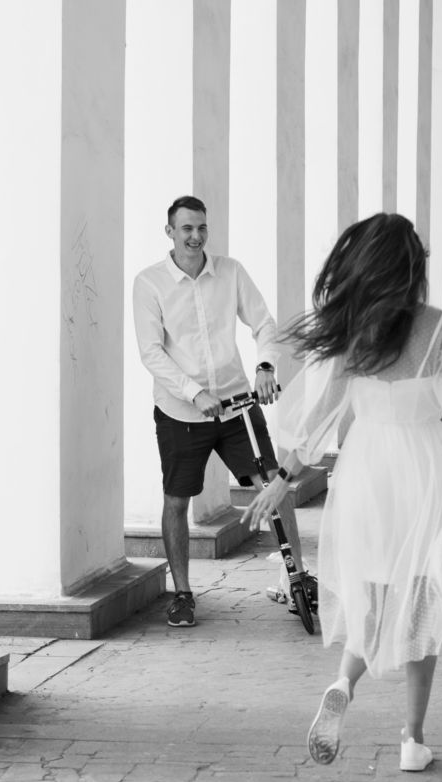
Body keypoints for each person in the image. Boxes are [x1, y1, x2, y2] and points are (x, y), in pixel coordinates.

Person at [242, 213, 442, 770]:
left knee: (374, 594)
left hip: (365, 473)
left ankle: (343, 684)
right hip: (422, 472)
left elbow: (317, 420)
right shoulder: (440, 327)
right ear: (413, 267)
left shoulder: (351, 333)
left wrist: (280, 481)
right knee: (421, 595)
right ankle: (412, 740)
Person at [133, 195, 316, 628]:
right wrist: (194, 393)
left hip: (237, 408)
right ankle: (182, 594)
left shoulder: (230, 271)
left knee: (274, 485)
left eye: (201, 228)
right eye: (186, 229)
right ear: (170, 232)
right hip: (181, 413)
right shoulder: (149, 283)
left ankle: (296, 576)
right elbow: (151, 351)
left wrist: (265, 366)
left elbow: (263, 323)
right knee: (176, 501)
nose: (195, 236)